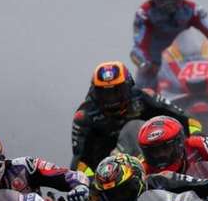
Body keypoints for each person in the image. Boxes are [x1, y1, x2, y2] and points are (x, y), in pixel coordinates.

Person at [70, 61, 198, 173]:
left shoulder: (144, 97)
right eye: (105, 93)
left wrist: (198, 140)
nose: (111, 99)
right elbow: (80, 160)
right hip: (108, 172)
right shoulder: (84, 116)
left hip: (150, 160)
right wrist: (90, 182)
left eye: (117, 91)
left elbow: (186, 120)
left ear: (128, 86)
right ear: (94, 92)